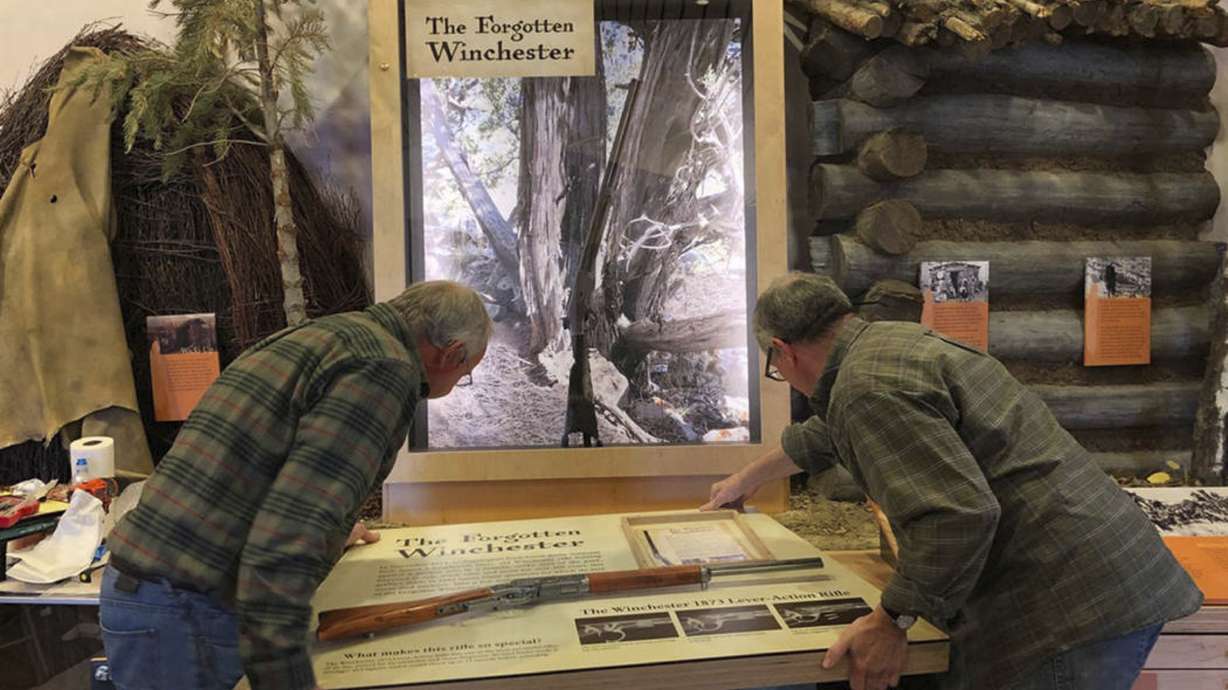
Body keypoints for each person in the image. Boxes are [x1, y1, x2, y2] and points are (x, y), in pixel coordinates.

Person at [702, 273, 1202, 690]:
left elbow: (957, 515)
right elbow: (823, 432)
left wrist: (890, 622)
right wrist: (743, 481)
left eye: (774, 369)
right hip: (1105, 573)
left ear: (781, 351)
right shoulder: (884, 349)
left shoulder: (865, 387)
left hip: (1070, 608)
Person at [101, 281, 492, 690]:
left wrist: (334, 530)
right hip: (187, 614)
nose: (457, 382)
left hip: (147, 594)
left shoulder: (328, 336)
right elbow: (283, 544)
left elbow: (264, 467)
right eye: (465, 374)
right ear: (451, 354)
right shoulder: (386, 370)